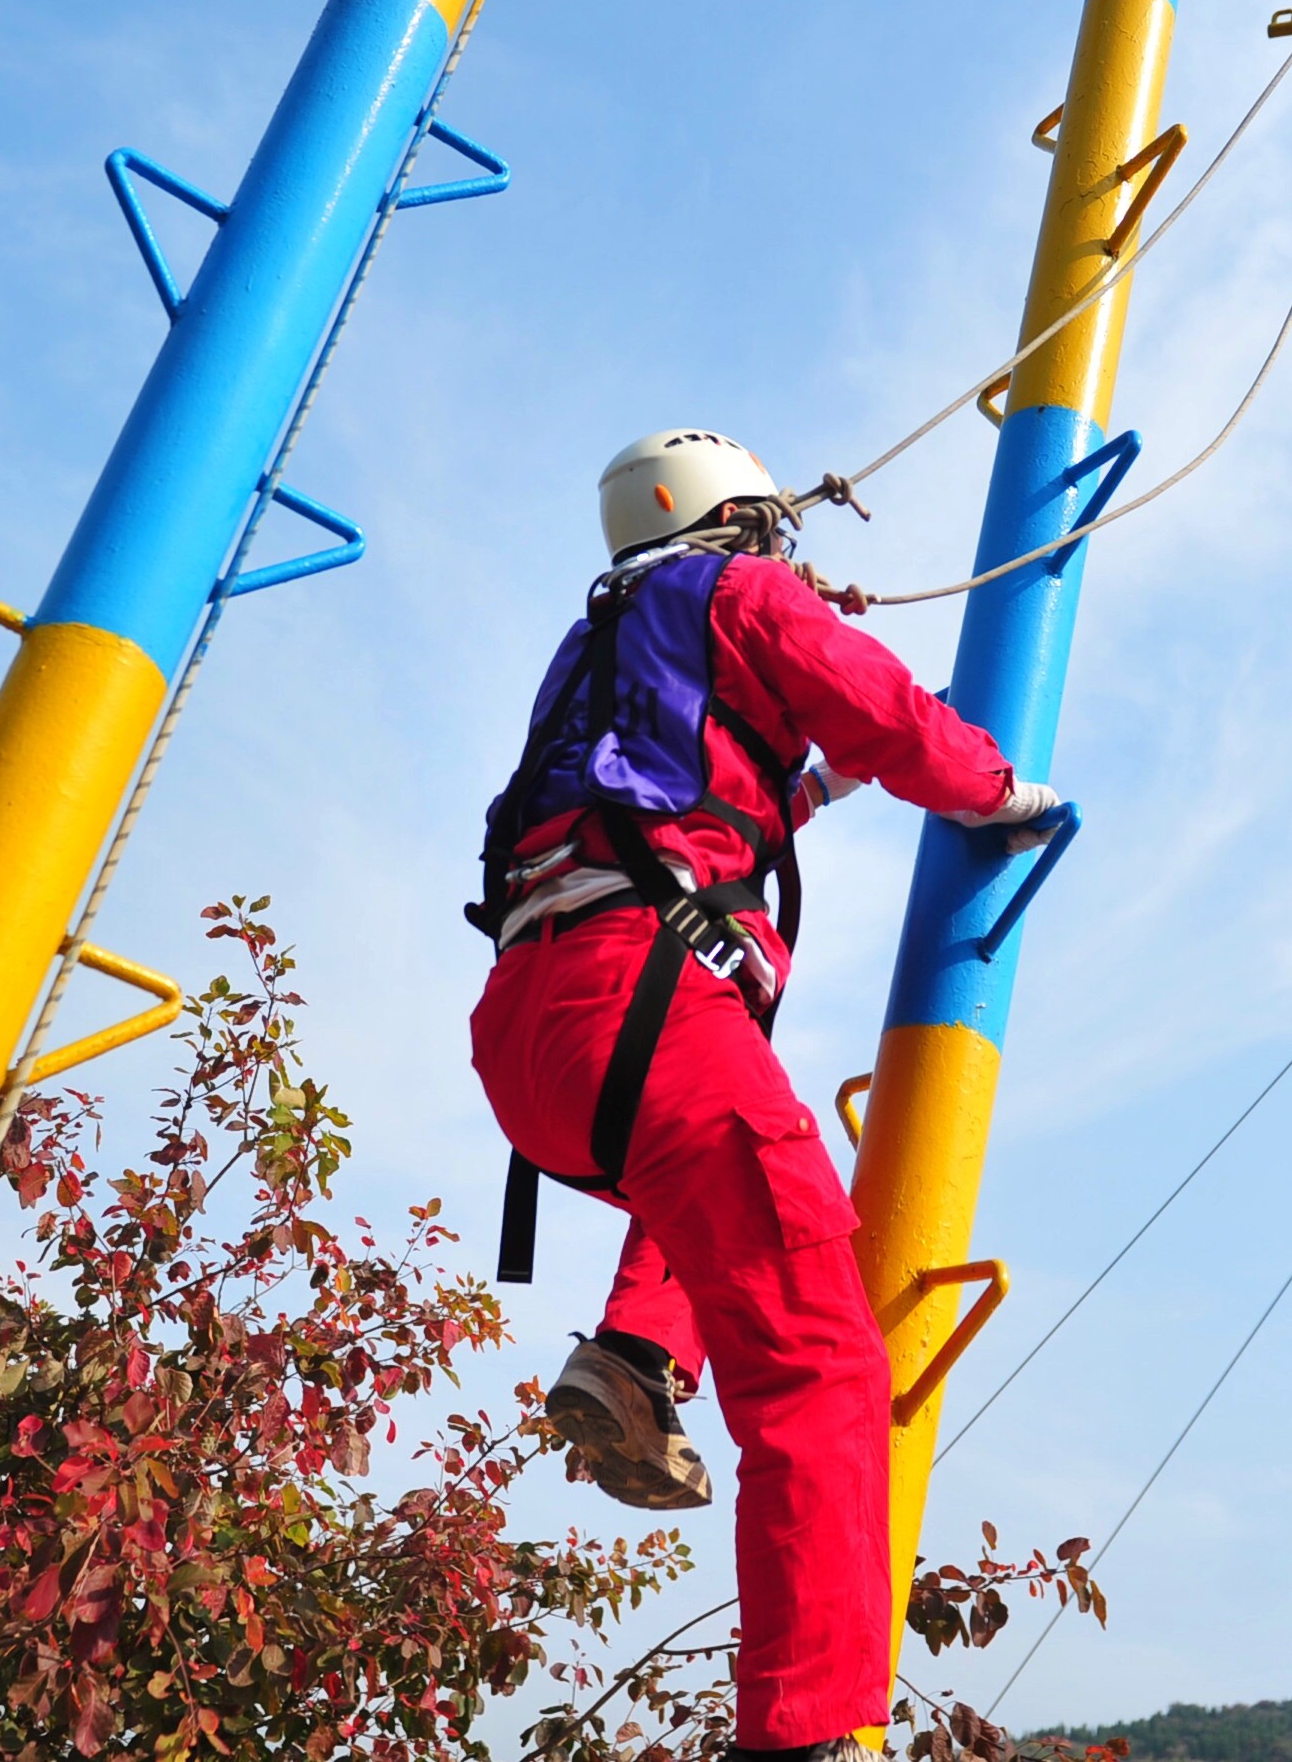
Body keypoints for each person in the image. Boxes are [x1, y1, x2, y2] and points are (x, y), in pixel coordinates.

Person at [466, 429, 1058, 1762]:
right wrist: (1000, 792)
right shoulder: (743, 595)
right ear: (738, 522)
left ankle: (632, 1357)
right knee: (823, 1365)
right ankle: (810, 1734)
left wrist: (826, 771)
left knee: (711, 1185)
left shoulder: (601, 646)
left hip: (534, 1034)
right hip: (646, 1004)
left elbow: (727, 777)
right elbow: (887, 710)